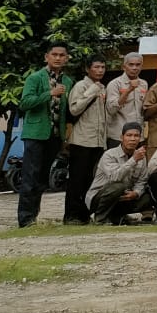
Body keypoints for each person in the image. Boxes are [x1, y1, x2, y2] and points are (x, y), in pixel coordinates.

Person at [17, 44, 73, 228]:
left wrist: (65, 137)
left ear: (66, 58)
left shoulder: (68, 81)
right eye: (54, 54)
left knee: (42, 179)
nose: (58, 58)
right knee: (30, 177)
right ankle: (25, 219)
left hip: (55, 136)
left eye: (61, 55)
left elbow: (66, 112)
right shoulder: (35, 78)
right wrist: (50, 93)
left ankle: (34, 215)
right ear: (46, 57)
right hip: (35, 134)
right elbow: (25, 103)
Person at [64, 55, 109, 225]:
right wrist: (92, 92)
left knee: (91, 180)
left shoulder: (102, 87)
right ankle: (71, 216)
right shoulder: (81, 86)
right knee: (77, 180)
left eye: (102, 67)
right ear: (88, 69)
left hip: (98, 141)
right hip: (81, 140)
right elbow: (74, 109)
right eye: (96, 67)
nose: (100, 71)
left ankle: (84, 214)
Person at [85, 122, 151, 225]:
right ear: (122, 137)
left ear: (140, 138)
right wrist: (133, 160)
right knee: (118, 186)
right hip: (99, 197)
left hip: (122, 196)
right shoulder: (109, 155)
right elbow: (114, 177)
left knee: (146, 197)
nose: (133, 139)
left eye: (136, 136)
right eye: (129, 135)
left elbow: (142, 180)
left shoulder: (141, 157)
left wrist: (136, 193)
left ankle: (117, 216)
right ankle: (100, 218)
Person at [104, 52, 146, 149]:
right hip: (118, 136)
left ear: (141, 67)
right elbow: (111, 109)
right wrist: (129, 90)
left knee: (137, 163)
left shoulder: (143, 84)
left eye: (138, 65)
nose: (134, 68)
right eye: (131, 64)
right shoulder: (115, 84)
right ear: (124, 66)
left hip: (137, 136)